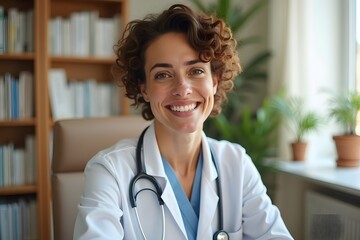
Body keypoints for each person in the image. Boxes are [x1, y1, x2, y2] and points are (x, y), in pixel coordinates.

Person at [73, 4, 293, 240]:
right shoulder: (110, 171)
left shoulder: (236, 164)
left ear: (215, 81)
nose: (182, 89)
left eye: (196, 71)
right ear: (144, 88)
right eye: (163, 75)